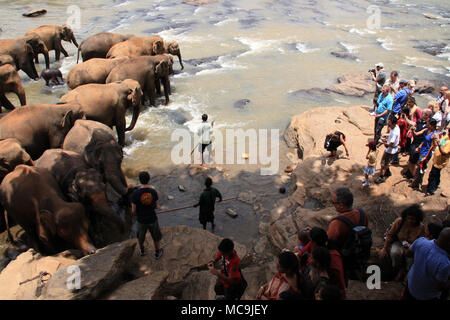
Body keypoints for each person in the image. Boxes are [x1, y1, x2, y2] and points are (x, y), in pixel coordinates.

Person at [379, 205, 425, 281]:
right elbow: (390, 235)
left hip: (412, 247)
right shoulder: (399, 222)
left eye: (413, 219)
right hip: (399, 243)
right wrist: (384, 249)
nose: (410, 221)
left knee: (411, 261)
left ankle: (407, 274)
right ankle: (399, 269)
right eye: (408, 218)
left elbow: (422, 241)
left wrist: (412, 247)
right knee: (394, 252)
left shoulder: (421, 227)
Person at [402, 228, 450, 300]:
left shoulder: (421, 241)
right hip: (426, 296)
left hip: (410, 287)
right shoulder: (444, 263)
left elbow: (407, 254)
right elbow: (439, 287)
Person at [131, 171, 163, 259]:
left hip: (141, 220)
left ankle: (142, 250)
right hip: (152, 218)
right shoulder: (153, 192)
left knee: (140, 236)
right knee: (156, 236)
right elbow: (156, 206)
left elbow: (133, 210)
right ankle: (157, 252)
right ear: (149, 180)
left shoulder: (135, 194)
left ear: (139, 180)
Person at [409, 118, 439, 190]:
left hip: (426, 154)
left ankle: (417, 184)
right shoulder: (426, 130)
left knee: (421, 169)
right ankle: (415, 182)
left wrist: (426, 156)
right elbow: (417, 135)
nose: (427, 125)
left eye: (428, 124)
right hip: (422, 151)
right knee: (418, 168)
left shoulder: (435, 135)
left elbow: (432, 147)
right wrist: (413, 130)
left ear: (432, 125)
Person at [404, 109, 431, 179]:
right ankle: (409, 173)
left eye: (424, 114)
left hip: (419, 145)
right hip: (414, 143)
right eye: (422, 113)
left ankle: (413, 176)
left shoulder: (428, 126)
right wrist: (406, 118)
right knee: (411, 159)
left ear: (428, 116)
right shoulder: (420, 121)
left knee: (414, 162)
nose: (422, 115)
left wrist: (419, 147)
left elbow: (424, 138)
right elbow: (413, 123)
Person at [425, 124, 450, 196]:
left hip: (440, 162)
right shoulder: (446, 137)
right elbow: (440, 142)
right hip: (437, 159)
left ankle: (431, 190)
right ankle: (437, 184)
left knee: (432, 175)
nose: (448, 132)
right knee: (436, 174)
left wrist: (439, 145)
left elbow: (444, 153)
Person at [376, 116, 400, 184]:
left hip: (390, 150)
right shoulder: (396, 127)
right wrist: (386, 135)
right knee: (387, 162)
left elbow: (390, 144)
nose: (388, 126)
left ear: (394, 124)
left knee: (383, 164)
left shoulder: (395, 133)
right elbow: (391, 134)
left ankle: (381, 177)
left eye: (389, 125)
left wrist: (382, 142)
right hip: (393, 149)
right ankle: (388, 172)